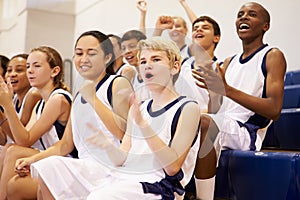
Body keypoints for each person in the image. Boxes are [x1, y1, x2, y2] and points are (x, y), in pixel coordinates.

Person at [25, 36, 200, 199]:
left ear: (175, 67)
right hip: (125, 176)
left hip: (158, 185)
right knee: (49, 167)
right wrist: (105, 146)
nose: (147, 65)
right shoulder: (140, 107)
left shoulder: (188, 108)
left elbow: (172, 167)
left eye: (156, 60)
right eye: (143, 61)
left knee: (98, 197)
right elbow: (122, 158)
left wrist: (143, 125)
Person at [13, 30, 133, 199]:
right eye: (79, 53)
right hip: (86, 167)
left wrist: (94, 100)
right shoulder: (79, 95)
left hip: (112, 167)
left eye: (91, 53)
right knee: (46, 172)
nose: (83, 58)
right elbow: (65, 145)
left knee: (49, 171)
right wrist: (33, 159)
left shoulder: (117, 84)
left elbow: (125, 133)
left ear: (107, 58)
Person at [192, 2, 287, 199]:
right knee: (186, 118)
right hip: (224, 125)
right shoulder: (228, 62)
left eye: (252, 14)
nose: (244, 17)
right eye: (240, 14)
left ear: (265, 26)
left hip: (246, 132)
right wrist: (214, 94)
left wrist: (227, 90)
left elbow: (274, 110)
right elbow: (216, 109)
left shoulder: (272, 55)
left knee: (205, 122)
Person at [0, 46, 74, 199]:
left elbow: (24, 141)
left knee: (13, 152)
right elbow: (21, 138)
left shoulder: (58, 99)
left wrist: (7, 105)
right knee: (11, 149)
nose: (30, 71)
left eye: (37, 66)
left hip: (66, 161)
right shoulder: (42, 103)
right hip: (52, 159)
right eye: (28, 67)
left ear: (54, 71)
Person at [0, 53, 41, 179]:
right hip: (20, 149)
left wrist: (4, 108)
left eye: (19, 70)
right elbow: (4, 138)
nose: (12, 74)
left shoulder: (33, 95)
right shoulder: (15, 98)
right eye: (9, 70)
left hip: (37, 151)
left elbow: (18, 139)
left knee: (10, 149)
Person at [175, 15, 221, 113]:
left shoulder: (221, 68)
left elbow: (221, 107)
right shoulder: (182, 64)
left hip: (204, 122)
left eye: (205, 28)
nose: (199, 29)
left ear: (216, 38)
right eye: (195, 28)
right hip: (179, 122)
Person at [121, 29, 150, 101]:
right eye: (123, 48)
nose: (127, 51)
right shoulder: (133, 79)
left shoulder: (154, 74)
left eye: (132, 46)